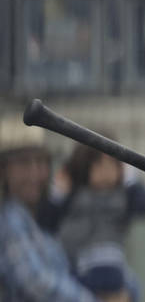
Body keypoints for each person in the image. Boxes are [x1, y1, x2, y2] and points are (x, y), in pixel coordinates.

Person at [0, 117, 95, 301]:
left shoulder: (37, 220)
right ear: (3, 171)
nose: (35, 173)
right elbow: (35, 281)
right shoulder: (10, 217)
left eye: (40, 162)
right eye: (23, 164)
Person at [37, 140, 145, 272]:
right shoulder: (74, 193)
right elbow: (46, 223)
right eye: (98, 164)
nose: (106, 171)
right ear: (86, 166)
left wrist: (131, 178)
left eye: (112, 164)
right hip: (73, 266)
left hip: (110, 265)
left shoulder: (123, 195)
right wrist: (58, 194)